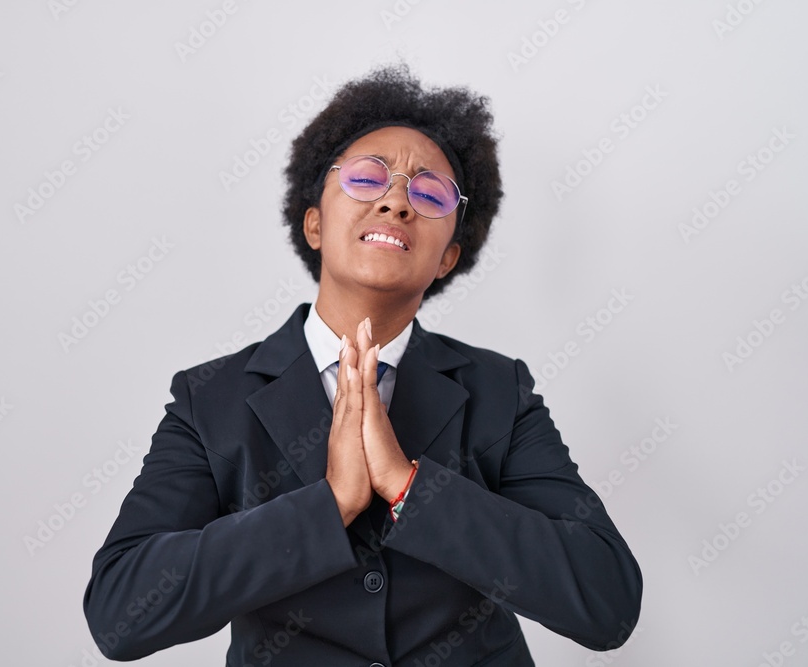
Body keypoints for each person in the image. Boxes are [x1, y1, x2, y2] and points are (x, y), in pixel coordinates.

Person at [83, 64, 642, 666]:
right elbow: (121, 613)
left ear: (449, 256)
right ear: (315, 223)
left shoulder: (499, 392)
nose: (397, 200)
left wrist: (410, 487)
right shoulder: (209, 399)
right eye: (367, 177)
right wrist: (330, 504)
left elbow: (606, 600)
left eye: (429, 193)